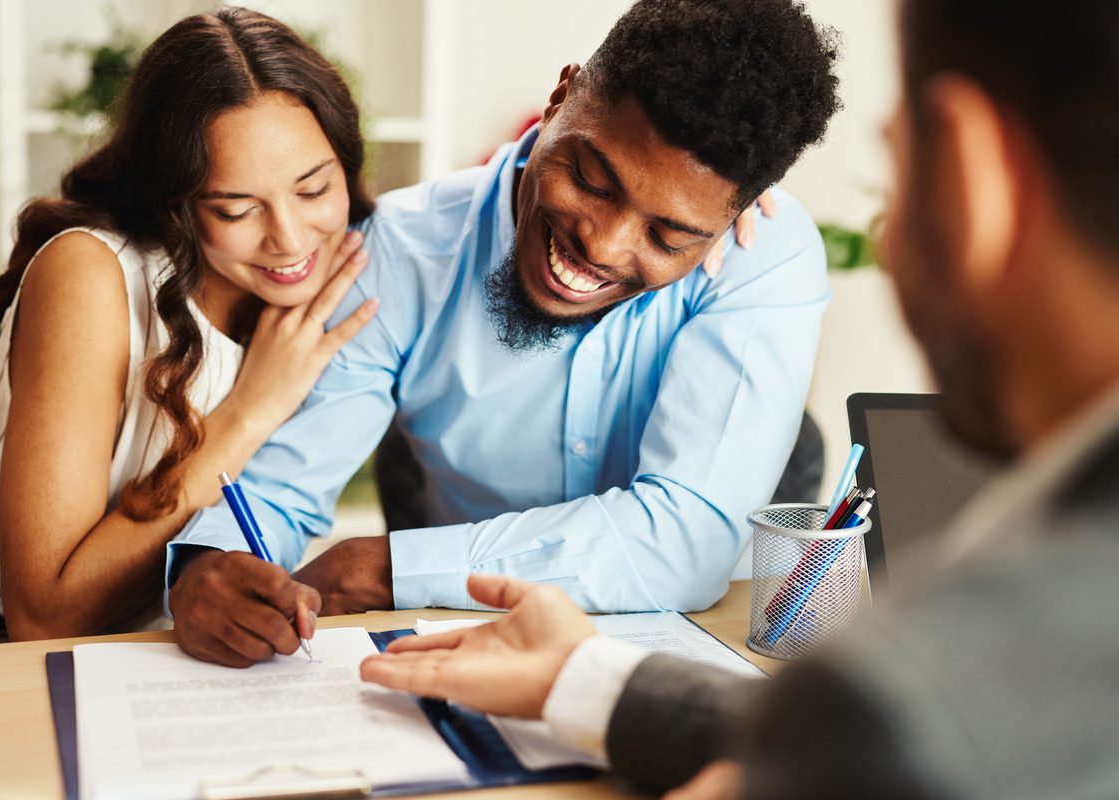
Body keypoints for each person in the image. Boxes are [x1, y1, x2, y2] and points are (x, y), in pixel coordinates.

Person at [360, 1, 1119, 798]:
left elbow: (870, 737)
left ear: (972, 177)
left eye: (898, 165)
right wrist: (587, 681)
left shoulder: (906, 703)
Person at [167, 0, 842, 668]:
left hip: (674, 659)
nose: (601, 248)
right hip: (452, 652)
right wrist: (212, 564)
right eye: (590, 179)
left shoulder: (762, 258)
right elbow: (281, 493)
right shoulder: (399, 253)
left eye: (668, 235)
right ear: (561, 99)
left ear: (735, 214)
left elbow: (682, 543)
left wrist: (387, 569)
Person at [0, 7, 379, 645]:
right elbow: (44, 615)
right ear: (177, 201)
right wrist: (250, 411)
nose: (291, 238)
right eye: (236, 208)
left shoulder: (334, 277)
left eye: (313, 190)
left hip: (134, 641)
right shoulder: (92, 275)